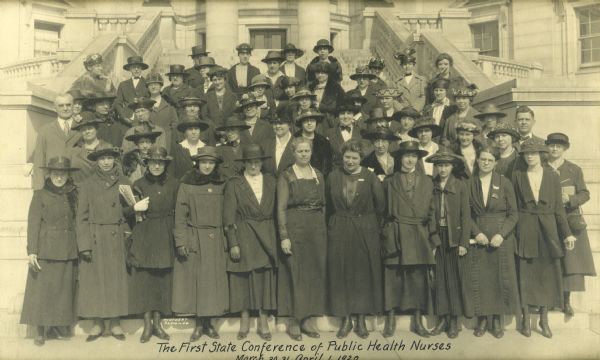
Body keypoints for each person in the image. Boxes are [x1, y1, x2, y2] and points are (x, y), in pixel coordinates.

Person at [512, 138, 576, 338]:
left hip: (548, 231)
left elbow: (558, 209)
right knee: (525, 273)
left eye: (534, 153)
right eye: (526, 154)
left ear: (541, 154)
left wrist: (567, 233)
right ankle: (524, 320)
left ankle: (543, 319)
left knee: (545, 276)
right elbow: (512, 208)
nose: (530, 157)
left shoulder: (552, 176)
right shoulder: (517, 176)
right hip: (525, 227)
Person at [76, 144, 135, 342]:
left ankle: (115, 322)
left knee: (115, 280)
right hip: (95, 237)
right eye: (102, 159)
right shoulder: (88, 184)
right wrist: (84, 244)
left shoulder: (124, 182)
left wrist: (127, 232)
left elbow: (130, 211)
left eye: (109, 158)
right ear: (97, 161)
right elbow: (81, 217)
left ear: (114, 160)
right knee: (95, 281)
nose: (106, 162)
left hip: (116, 235)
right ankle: (97, 323)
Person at [327, 140, 384, 339]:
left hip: (364, 230)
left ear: (360, 159)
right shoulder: (333, 176)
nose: (350, 161)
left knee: (362, 274)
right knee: (341, 273)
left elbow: (381, 207)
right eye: (347, 157)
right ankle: (345, 319)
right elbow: (328, 205)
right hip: (340, 229)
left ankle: (360, 320)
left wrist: (368, 225)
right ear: (342, 157)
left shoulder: (370, 177)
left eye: (354, 157)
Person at [381, 140, 438, 338]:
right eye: (406, 156)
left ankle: (417, 321)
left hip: (418, 234)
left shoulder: (428, 181)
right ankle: (390, 320)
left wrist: (433, 240)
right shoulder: (389, 181)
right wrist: (386, 234)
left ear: (418, 159)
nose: (410, 159)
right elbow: (382, 211)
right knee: (392, 278)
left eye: (414, 156)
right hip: (395, 233)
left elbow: (432, 212)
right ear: (400, 158)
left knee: (418, 279)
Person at [21, 157, 79, 346]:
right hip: (45, 250)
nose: (59, 177)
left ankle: (55, 326)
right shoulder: (40, 194)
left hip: (66, 249)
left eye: (62, 174)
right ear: (49, 174)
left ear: (67, 175)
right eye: (55, 174)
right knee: (42, 291)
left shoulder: (73, 194)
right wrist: (32, 251)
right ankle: (40, 330)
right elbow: (33, 224)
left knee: (61, 290)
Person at [173, 146, 228, 341]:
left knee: (213, 283)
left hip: (216, 237)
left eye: (211, 162)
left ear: (215, 165)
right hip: (195, 236)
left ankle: (209, 324)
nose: (207, 166)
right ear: (197, 163)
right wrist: (181, 241)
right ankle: (198, 325)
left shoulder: (222, 183)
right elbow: (180, 216)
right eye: (203, 162)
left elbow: (229, 213)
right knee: (197, 283)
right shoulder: (187, 184)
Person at [224, 144, 278, 341]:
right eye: (249, 162)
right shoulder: (234, 183)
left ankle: (263, 322)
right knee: (243, 279)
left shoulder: (272, 181)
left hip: (267, 235)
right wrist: (233, 243)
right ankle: (245, 321)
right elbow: (228, 217)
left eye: (257, 161)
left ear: (262, 162)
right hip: (245, 235)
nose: (253, 165)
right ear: (244, 163)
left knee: (264, 278)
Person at [466, 144, 520, 339]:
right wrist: (476, 232)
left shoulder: (504, 182)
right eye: (482, 159)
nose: (486, 163)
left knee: (500, 278)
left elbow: (514, 214)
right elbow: (465, 213)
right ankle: (482, 319)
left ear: (496, 162)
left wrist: (501, 234)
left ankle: (497, 320)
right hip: (479, 236)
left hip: (500, 238)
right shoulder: (469, 183)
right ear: (477, 161)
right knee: (481, 278)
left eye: (490, 160)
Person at [277, 137, 327, 341]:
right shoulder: (287, 175)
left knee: (314, 272)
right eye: (300, 151)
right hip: (296, 226)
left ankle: (308, 320)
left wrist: (321, 228)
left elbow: (323, 204)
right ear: (293, 153)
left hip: (316, 228)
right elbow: (280, 208)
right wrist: (284, 236)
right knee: (295, 271)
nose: (304, 154)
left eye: (307, 151)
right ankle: (295, 321)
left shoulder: (318, 175)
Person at [127, 146, 178, 343]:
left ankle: (158, 323)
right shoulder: (138, 184)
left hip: (165, 233)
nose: (157, 166)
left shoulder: (174, 184)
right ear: (146, 164)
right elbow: (131, 210)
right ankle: (147, 324)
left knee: (162, 280)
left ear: (165, 164)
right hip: (145, 233)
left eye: (161, 163)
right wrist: (135, 209)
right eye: (153, 162)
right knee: (145, 280)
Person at [545, 133, 596, 317]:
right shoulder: (541, 168)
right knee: (550, 261)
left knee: (571, 262)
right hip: (548, 221)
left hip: (570, 220)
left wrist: (571, 199)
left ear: (565, 148)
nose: (555, 149)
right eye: (551, 145)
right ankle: (550, 300)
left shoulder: (574, 170)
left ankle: (566, 302)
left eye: (559, 146)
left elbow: (585, 193)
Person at [427, 148, 472, 339]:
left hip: (455, 237)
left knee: (453, 279)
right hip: (439, 236)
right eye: (439, 165)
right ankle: (442, 319)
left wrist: (463, 243)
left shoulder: (461, 185)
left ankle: (454, 321)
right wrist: (434, 239)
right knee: (439, 279)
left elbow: (466, 215)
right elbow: (429, 214)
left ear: (452, 166)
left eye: (446, 165)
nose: (443, 169)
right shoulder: (432, 185)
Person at [32, 93, 81, 190]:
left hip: (77, 184)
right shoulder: (45, 130)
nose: (65, 108)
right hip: (52, 184)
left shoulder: (83, 128)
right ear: (55, 108)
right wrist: (39, 189)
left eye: (68, 105)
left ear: (73, 106)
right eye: (61, 105)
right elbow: (39, 160)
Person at [69, 112, 114, 187]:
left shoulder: (107, 147)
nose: (87, 131)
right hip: (80, 192)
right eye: (83, 129)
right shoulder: (74, 152)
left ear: (96, 129)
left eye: (90, 128)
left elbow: (116, 172)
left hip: (103, 191)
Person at [308, 62, 346, 133]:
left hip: (329, 122)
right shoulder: (311, 87)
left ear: (328, 74)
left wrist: (322, 107)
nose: (320, 75)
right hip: (312, 121)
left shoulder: (335, 87)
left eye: (323, 73)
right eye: (317, 73)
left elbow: (342, 107)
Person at [146, 72, 179, 153]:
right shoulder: (143, 106)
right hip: (148, 142)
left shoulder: (170, 106)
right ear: (147, 87)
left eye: (156, 84)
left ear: (161, 86)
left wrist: (167, 134)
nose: (153, 87)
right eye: (150, 85)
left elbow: (175, 124)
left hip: (166, 142)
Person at [325, 100, 362, 169]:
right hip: (337, 173)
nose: (345, 116)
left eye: (349, 113)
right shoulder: (329, 133)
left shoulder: (361, 132)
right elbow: (326, 159)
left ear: (353, 115)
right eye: (342, 113)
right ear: (338, 116)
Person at [294, 110, 333, 176]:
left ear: (316, 123)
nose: (309, 123)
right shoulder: (294, 139)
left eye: (312, 120)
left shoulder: (323, 141)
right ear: (301, 123)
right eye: (306, 121)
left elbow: (327, 166)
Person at [114, 56, 151, 123]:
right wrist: (124, 117)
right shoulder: (123, 85)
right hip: (128, 119)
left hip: (145, 120)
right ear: (129, 69)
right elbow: (118, 103)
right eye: (134, 67)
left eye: (138, 67)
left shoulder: (148, 83)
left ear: (141, 68)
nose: (136, 69)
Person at [421, 78, 455, 143]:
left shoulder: (452, 107)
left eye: (441, 90)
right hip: (431, 140)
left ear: (446, 91)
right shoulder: (428, 108)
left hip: (446, 141)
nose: (438, 93)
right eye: (436, 90)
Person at [393, 48, 427, 112]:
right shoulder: (397, 82)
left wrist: (416, 110)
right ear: (402, 66)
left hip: (417, 112)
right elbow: (395, 99)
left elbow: (423, 97)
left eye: (410, 64)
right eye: (405, 64)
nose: (407, 66)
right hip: (402, 113)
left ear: (413, 65)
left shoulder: (421, 80)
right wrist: (402, 110)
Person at [263, 113, 295, 177]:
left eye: (281, 123)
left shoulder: (298, 143)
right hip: (269, 185)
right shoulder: (265, 144)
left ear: (289, 125)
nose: (277, 126)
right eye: (275, 123)